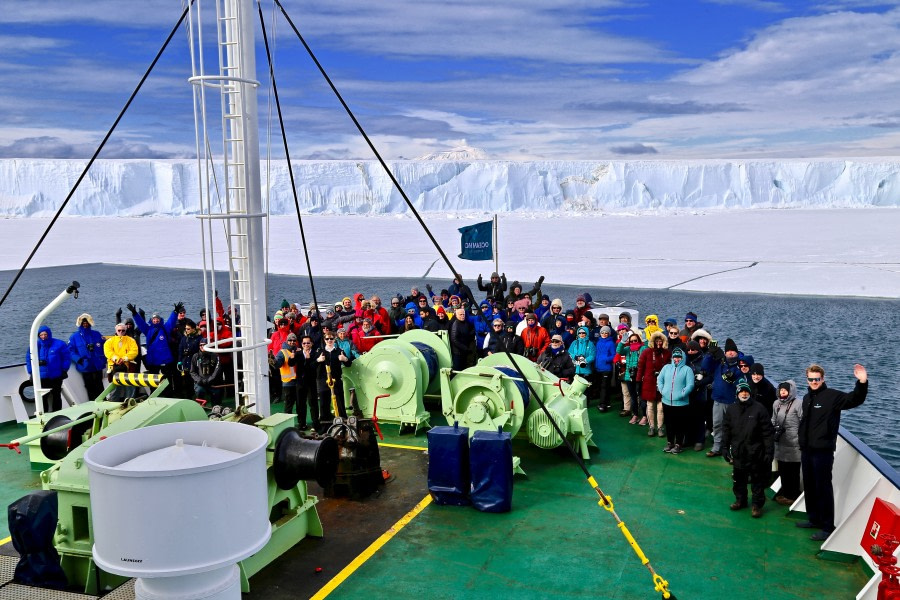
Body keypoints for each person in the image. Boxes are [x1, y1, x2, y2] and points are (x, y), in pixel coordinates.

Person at [796, 363, 868, 541]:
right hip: (807, 449)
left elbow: (855, 399)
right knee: (810, 486)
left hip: (823, 451)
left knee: (823, 487)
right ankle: (814, 519)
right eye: (811, 379)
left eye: (817, 379)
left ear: (823, 379)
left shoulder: (832, 396)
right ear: (807, 379)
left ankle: (827, 527)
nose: (814, 382)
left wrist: (862, 382)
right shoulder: (806, 398)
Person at [722, 381, 775, 518]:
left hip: (756, 453)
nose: (744, 394)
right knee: (739, 479)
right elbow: (726, 430)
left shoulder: (759, 409)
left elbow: (767, 433)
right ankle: (741, 500)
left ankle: (757, 505)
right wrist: (724, 448)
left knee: (757, 480)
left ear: (750, 393)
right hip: (739, 452)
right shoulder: (731, 409)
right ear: (737, 393)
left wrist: (769, 452)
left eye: (746, 391)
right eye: (741, 392)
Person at [701, 337, 744, 457]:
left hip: (733, 402)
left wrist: (734, 379)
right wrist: (710, 353)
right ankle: (717, 448)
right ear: (725, 352)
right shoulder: (719, 363)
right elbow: (705, 366)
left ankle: (732, 451)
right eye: (728, 351)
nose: (731, 352)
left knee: (733, 427)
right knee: (717, 425)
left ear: (737, 352)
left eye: (733, 351)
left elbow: (744, 380)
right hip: (718, 400)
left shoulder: (741, 365)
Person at [657, 347, 695, 454]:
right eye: (675, 357)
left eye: (679, 357)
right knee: (669, 424)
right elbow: (660, 379)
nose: (676, 359)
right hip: (666, 401)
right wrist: (662, 390)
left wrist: (681, 394)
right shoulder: (666, 368)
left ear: (682, 358)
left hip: (682, 403)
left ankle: (679, 444)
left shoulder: (687, 370)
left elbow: (690, 385)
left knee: (680, 425)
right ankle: (670, 443)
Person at [26, 325, 71, 412]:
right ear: (38, 336)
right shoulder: (35, 346)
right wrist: (31, 372)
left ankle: (57, 413)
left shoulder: (59, 344)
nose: (43, 337)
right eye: (41, 335)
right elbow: (29, 359)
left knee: (56, 395)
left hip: (56, 376)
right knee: (43, 397)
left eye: (45, 335)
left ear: (49, 334)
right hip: (42, 377)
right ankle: (45, 415)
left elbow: (66, 358)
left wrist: (64, 369)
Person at [128, 303, 178, 381]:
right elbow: (140, 323)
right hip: (153, 359)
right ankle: (153, 391)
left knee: (167, 378)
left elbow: (171, 321)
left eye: (157, 318)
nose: (156, 320)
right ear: (151, 320)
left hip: (165, 359)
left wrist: (175, 312)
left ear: (160, 319)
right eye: (154, 319)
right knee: (153, 379)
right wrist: (134, 313)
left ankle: (168, 392)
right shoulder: (148, 330)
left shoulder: (165, 328)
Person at [314, 333, 354, 430]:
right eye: (327, 339)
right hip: (323, 380)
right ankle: (325, 425)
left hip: (336, 379)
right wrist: (318, 360)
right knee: (324, 403)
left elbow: (348, 364)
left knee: (340, 401)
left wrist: (345, 359)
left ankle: (343, 424)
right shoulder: (320, 352)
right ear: (324, 340)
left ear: (334, 339)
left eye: (331, 339)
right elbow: (312, 365)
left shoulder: (339, 351)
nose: (329, 340)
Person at [772, 380, 802, 506]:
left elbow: (803, 420)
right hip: (780, 442)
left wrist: (800, 438)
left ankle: (792, 495)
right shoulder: (776, 403)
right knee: (783, 469)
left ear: (791, 391)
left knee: (793, 471)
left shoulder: (798, 404)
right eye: (781, 390)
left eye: (785, 390)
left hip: (794, 443)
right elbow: (773, 418)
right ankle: (785, 493)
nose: (782, 392)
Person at [636, 331, 671, 437]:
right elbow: (640, 368)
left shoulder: (667, 353)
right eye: (657, 341)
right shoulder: (646, 352)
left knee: (661, 408)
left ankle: (660, 427)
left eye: (661, 341)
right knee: (650, 406)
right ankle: (651, 427)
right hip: (649, 383)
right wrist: (638, 382)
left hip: (663, 383)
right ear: (653, 341)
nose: (659, 343)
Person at [67, 313, 106, 400]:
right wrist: (78, 359)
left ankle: (103, 401)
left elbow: (105, 347)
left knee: (99, 385)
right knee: (89, 386)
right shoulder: (74, 337)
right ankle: (92, 403)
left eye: (87, 323)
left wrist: (104, 360)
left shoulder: (97, 334)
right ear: (80, 324)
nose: (85, 325)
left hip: (97, 365)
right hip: (85, 365)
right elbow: (70, 351)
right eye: (83, 323)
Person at [103, 323, 139, 401]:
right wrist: (116, 359)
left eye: (123, 330)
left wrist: (124, 358)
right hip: (114, 367)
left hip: (128, 367)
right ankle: (113, 403)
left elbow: (134, 351)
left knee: (130, 388)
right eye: (119, 330)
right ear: (116, 331)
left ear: (125, 331)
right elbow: (108, 352)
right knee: (114, 389)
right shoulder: (109, 341)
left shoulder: (131, 340)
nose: (121, 332)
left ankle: (129, 403)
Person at [617, 331, 646, 424]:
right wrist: (622, 342)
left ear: (639, 340)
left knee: (642, 398)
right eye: (631, 341)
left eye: (635, 340)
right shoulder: (627, 349)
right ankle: (635, 415)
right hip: (629, 376)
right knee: (633, 397)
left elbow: (647, 350)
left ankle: (645, 416)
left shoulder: (641, 349)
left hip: (640, 377)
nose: (633, 342)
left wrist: (645, 341)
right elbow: (619, 351)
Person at [190, 338, 224, 406]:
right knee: (199, 390)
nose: (202, 347)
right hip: (200, 382)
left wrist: (210, 380)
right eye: (201, 345)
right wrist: (199, 380)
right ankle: (201, 407)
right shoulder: (195, 356)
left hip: (213, 382)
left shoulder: (215, 356)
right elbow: (192, 371)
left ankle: (216, 406)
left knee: (216, 395)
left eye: (204, 345)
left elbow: (217, 370)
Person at [273, 333, 301, 415]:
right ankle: (287, 422)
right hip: (288, 382)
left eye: (294, 340)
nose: (292, 342)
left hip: (298, 381)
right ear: (287, 341)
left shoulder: (298, 350)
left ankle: (300, 423)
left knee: (300, 404)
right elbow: (278, 364)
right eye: (290, 340)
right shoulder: (282, 352)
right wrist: (274, 361)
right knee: (289, 405)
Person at [174, 319, 202, 399]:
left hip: (195, 363)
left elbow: (200, 351)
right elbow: (180, 350)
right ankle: (189, 397)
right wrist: (179, 361)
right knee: (186, 381)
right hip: (185, 363)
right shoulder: (184, 338)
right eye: (186, 329)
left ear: (193, 329)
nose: (186, 330)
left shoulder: (199, 338)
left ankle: (198, 397)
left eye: (188, 329)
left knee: (196, 381)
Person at [593, 325, 616, 412]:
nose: (604, 334)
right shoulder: (598, 342)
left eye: (606, 333)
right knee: (600, 386)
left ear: (609, 334)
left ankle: (602, 404)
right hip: (598, 367)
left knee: (604, 386)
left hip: (606, 368)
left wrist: (605, 359)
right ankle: (607, 402)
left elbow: (613, 355)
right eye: (602, 332)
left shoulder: (611, 343)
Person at [448, 307, 475, 371]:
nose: (462, 316)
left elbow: (470, 331)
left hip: (465, 350)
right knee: (457, 369)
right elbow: (454, 339)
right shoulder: (455, 324)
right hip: (458, 352)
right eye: (461, 314)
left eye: (463, 314)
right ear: (456, 315)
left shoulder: (466, 323)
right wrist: (465, 348)